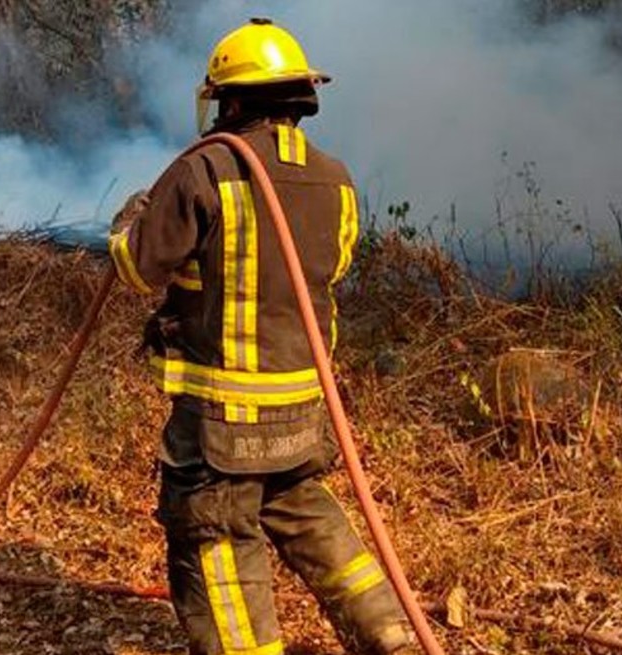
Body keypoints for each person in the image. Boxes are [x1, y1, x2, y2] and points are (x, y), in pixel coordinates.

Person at [109, 18, 418, 655]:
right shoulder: (336, 179)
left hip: (221, 420)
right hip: (302, 408)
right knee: (304, 510)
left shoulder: (202, 170)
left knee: (216, 535)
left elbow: (139, 268)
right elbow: (330, 269)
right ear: (298, 97)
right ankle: (389, 633)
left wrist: (128, 222)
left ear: (230, 101)